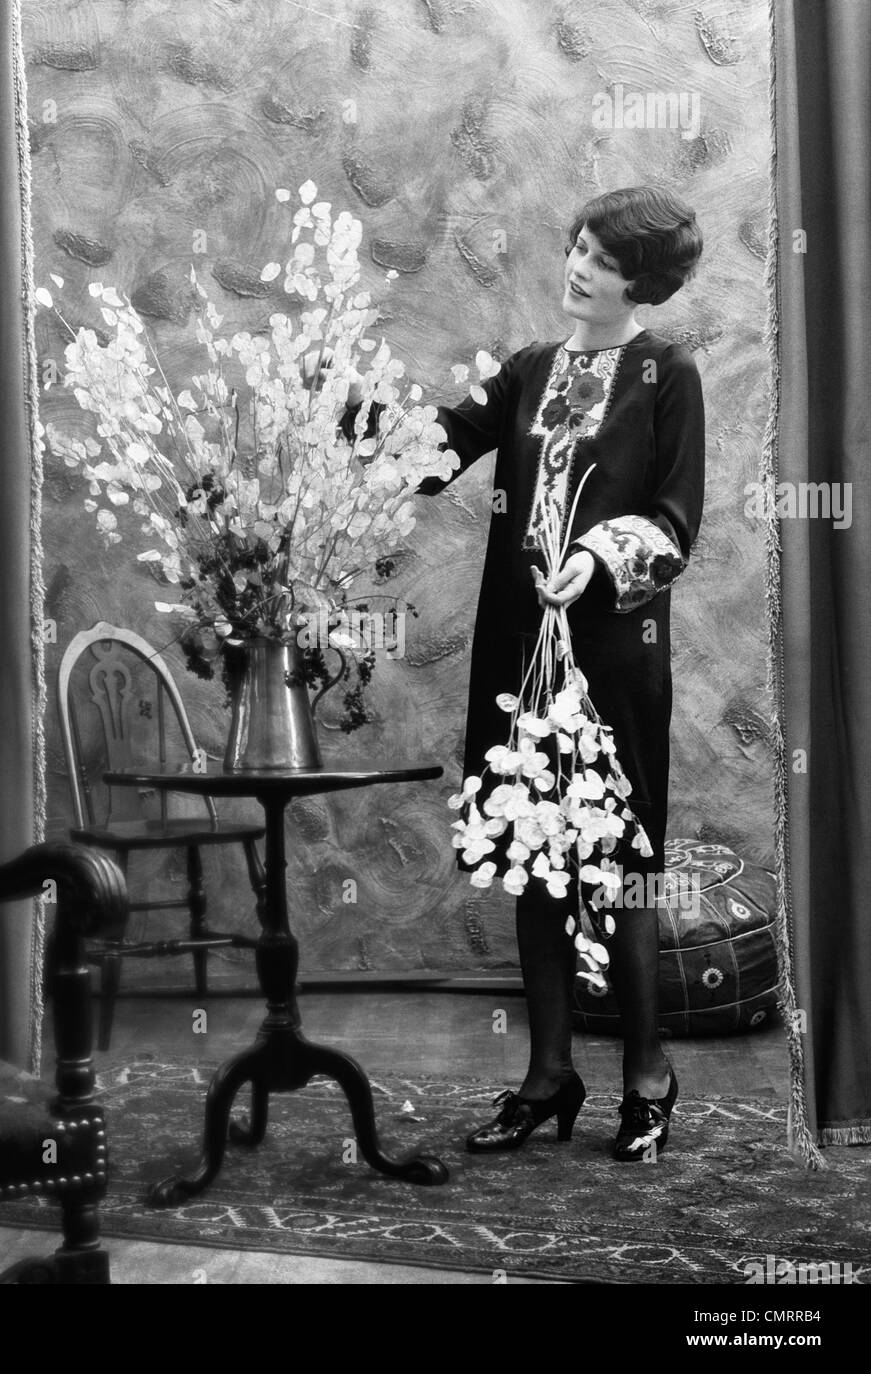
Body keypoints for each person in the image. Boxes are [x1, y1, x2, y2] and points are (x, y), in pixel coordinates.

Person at [341, 187, 705, 1160]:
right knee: (535, 868)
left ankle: (645, 1071)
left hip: (614, 661)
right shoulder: (530, 371)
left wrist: (594, 561)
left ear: (642, 280)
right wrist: (350, 405)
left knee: (620, 870)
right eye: (577, 248)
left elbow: (674, 520)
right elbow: (438, 452)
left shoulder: (667, 378)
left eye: (602, 258)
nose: (579, 267)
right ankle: (548, 1074)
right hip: (518, 660)